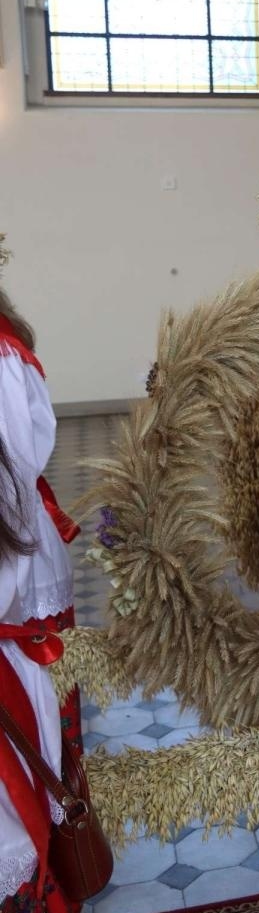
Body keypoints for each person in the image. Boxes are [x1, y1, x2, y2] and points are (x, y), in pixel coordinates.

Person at [0, 294, 89, 913]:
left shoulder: (2, 354)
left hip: (13, 604)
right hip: (17, 590)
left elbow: (17, 467)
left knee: (36, 771)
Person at [0, 287, 82, 754]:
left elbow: (10, 473)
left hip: (16, 557)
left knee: (40, 729)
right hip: (18, 546)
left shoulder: (2, 354)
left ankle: (63, 824)